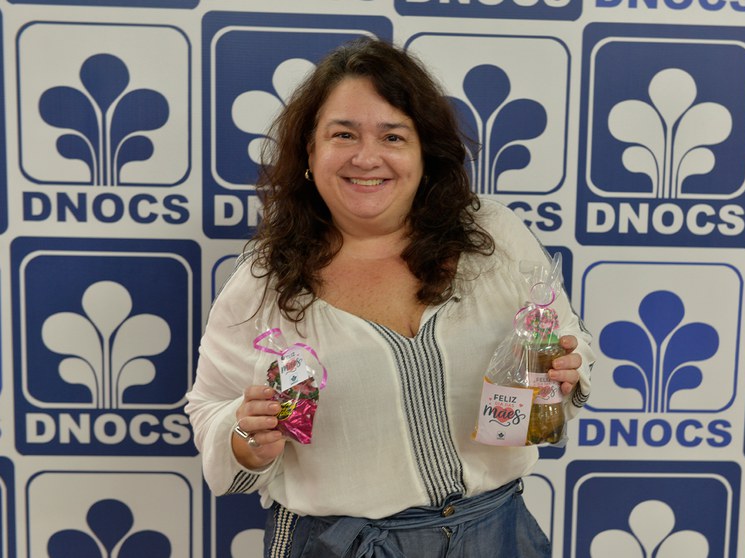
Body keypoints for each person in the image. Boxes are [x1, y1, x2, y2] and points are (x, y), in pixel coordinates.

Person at [185, 37, 594, 558]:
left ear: (425, 154)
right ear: (310, 151)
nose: (366, 157)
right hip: (343, 543)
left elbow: (570, 343)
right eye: (343, 134)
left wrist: (565, 373)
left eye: (393, 136)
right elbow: (210, 408)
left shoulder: (493, 237)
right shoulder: (266, 281)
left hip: (498, 533)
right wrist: (247, 439)